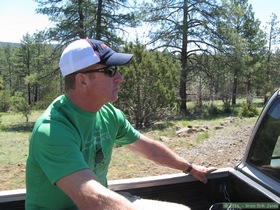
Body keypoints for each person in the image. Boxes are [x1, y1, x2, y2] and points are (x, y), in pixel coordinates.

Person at [25, 38, 217, 210]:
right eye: (109, 71)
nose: (120, 78)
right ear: (82, 80)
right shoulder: (52, 130)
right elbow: (92, 199)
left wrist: (190, 168)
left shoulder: (107, 113)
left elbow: (148, 149)